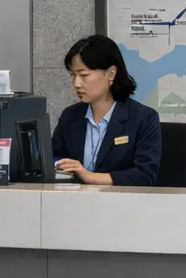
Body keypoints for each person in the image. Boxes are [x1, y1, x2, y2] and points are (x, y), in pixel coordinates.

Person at [51, 35, 162, 186]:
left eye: (84, 75)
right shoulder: (70, 117)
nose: (77, 83)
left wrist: (90, 177)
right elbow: (53, 160)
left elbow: (144, 175)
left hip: (123, 204)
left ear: (111, 74)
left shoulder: (143, 118)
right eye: (73, 75)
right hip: (76, 203)